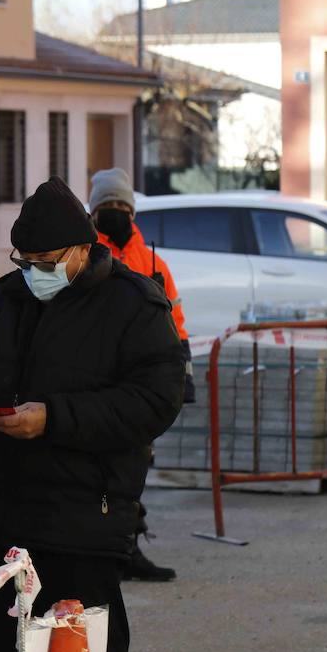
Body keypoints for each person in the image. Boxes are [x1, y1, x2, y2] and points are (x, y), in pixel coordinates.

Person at [0, 177, 184, 652]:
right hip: (5, 517)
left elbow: (157, 400)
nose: (35, 273)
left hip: (86, 516)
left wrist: (56, 417)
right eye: (24, 263)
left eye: (47, 263)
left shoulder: (136, 304)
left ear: (82, 250)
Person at [89, 167, 194, 583]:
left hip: (139, 383)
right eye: (107, 205)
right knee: (96, 471)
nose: (114, 212)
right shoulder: (82, 253)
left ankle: (126, 547)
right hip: (96, 379)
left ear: (131, 210)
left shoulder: (152, 260)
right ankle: (99, 551)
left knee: (135, 466)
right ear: (94, 210)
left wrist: (181, 373)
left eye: (120, 205)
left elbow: (175, 319)